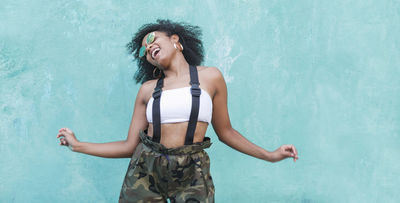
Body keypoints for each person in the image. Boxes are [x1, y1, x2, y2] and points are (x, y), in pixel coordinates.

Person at [57, 19, 299, 203]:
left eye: (152, 39)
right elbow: (129, 146)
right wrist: (78, 145)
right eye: (144, 50)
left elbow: (226, 132)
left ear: (175, 39)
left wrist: (269, 155)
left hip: (193, 170)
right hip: (145, 170)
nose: (149, 47)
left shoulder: (211, 77)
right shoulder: (147, 90)